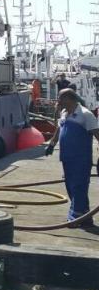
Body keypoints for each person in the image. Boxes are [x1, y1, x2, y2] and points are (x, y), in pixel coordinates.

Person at [44, 88, 99, 228]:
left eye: (61, 98)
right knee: (70, 187)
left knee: (78, 186)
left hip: (81, 158)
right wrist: (51, 144)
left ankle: (75, 218)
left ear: (70, 98)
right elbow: (59, 129)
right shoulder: (64, 113)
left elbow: (97, 134)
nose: (58, 101)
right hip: (67, 157)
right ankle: (85, 217)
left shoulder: (86, 115)